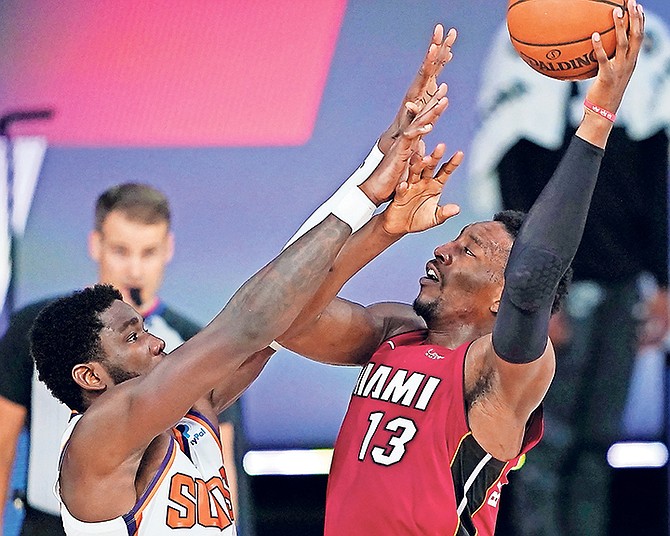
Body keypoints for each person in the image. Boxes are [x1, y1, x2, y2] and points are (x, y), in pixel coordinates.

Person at [26, 70, 451, 535]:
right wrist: (366, 194)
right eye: (132, 336)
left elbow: (283, 311)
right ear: (91, 376)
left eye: (143, 328)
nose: (154, 342)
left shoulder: (193, 404)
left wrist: (382, 206)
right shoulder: (97, 438)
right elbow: (251, 320)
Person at [275, 3, 645, 534]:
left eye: (469, 249)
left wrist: (599, 114)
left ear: (501, 295)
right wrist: (381, 226)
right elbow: (281, 314)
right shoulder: (393, 332)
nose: (443, 250)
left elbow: (532, 278)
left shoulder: (503, 370)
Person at [468, 7, 669, 535]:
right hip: (553, 287)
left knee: (597, 445)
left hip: (624, 285)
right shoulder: (529, 35)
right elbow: (510, 168)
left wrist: (666, 283)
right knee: (542, 445)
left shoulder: (648, 40)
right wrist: (532, 300)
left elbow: (661, 172)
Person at [0, 184, 250, 535]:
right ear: (95, 244)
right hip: (47, 523)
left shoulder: (192, 340)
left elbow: (215, 459)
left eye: (148, 252)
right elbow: (2, 442)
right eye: (120, 251)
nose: (134, 269)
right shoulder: (39, 331)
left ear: (168, 250)